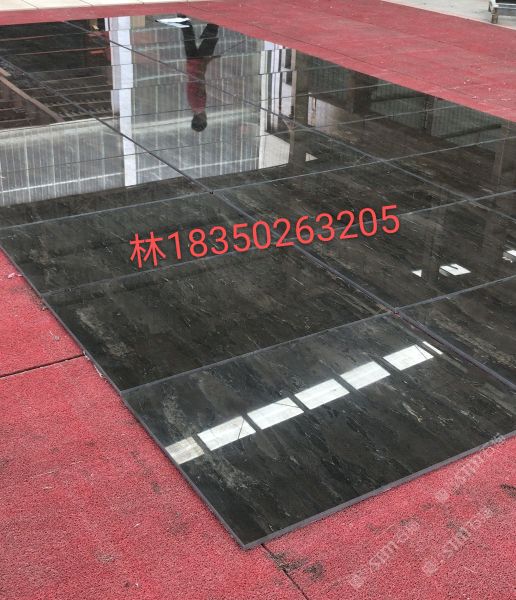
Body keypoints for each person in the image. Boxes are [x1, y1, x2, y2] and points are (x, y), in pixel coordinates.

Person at [179, 19, 220, 132]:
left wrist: (206, 61)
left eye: (205, 119)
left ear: (202, 119)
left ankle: (214, 20)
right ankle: (181, 16)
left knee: (210, 39)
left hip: (198, 64)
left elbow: (200, 81)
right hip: (191, 65)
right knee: (188, 37)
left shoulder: (200, 106)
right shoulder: (193, 107)